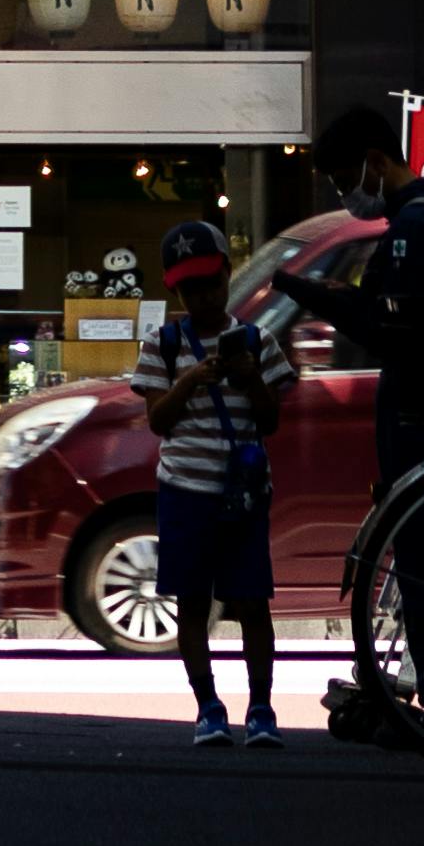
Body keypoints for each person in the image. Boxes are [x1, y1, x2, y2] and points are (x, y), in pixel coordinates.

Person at [275, 151, 424, 735]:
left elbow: (385, 325)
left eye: (347, 180)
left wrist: (312, 294)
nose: (349, 194)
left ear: (374, 162)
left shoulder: (415, 229)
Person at [133, 221, 282, 752]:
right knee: (192, 603)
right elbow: (158, 421)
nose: (202, 297)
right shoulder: (162, 345)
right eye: (190, 289)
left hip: (241, 491)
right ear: (175, 290)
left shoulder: (258, 340)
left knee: (251, 601)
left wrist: (251, 378)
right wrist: (191, 379)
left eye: (211, 285)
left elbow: (270, 421)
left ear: (226, 274)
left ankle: (262, 709)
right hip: (184, 492)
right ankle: (208, 708)